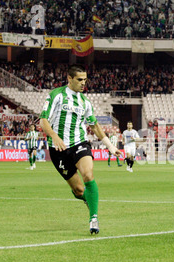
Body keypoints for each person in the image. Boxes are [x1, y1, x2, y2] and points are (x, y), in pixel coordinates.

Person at [39, 64, 121, 235]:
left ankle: (93, 217)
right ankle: (89, 200)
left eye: (85, 79)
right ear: (69, 78)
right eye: (80, 80)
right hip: (58, 149)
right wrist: (54, 136)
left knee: (88, 175)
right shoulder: (56, 95)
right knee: (78, 191)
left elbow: (95, 126)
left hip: (79, 143)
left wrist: (111, 147)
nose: (84, 83)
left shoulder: (85, 102)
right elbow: (43, 120)